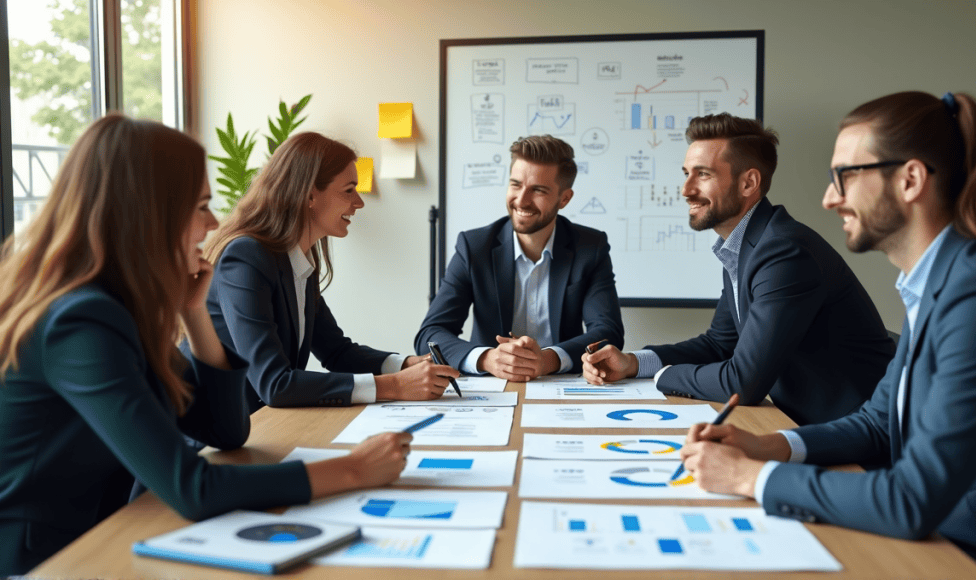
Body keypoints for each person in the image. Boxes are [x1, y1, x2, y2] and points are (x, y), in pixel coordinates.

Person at [0, 115, 412, 576]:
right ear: (148, 211)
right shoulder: (80, 320)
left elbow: (225, 431)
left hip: (110, 530)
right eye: (199, 206)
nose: (214, 223)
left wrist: (194, 313)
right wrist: (352, 471)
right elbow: (192, 487)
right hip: (45, 558)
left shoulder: (119, 306)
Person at [680, 92, 976, 577]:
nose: (829, 198)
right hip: (938, 537)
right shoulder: (939, 281)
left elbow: (912, 499)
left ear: (910, 180)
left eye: (845, 176)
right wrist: (768, 445)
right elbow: (877, 423)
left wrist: (751, 477)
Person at [583, 113, 894, 426]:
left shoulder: (784, 252)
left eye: (702, 175)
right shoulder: (747, 247)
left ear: (749, 183)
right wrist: (633, 363)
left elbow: (742, 383)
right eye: (686, 173)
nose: (686, 189)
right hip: (809, 426)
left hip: (861, 440)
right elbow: (719, 345)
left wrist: (664, 375)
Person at [203, 132, 458, 410]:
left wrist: (407, 364)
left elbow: (337, 352)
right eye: (348, 190)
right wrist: (395, 385)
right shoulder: (246, 258)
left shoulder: (299, 261)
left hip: (261, 426)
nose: (359, 202)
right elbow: (274, 384)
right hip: (214, 435)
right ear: (310, 195)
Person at [415, 135, 624, 382]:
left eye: (538, 190)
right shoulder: (474, 247)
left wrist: (548, 360)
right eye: (516, 185)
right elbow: (430, 333)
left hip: (561, 384)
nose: (521, 200)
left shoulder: (590, 247)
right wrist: (487, 358)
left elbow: (608, 332)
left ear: (564, 198)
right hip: (490, 387)